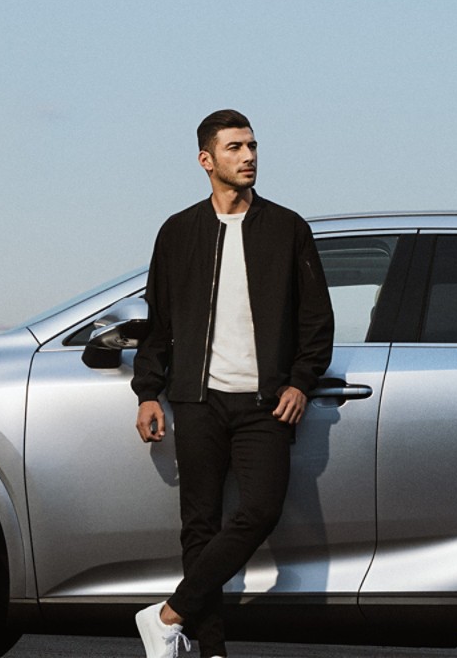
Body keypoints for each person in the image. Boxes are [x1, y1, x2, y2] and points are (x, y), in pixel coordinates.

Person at [131, 109, 334, 658]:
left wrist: (300, 381)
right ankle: (208, 650)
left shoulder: (288, 227)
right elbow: (160, 324)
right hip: (197, 400)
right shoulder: (178, 232)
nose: (248, 157)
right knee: (199, 526)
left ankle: (168, 615)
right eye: (235, 148)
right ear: (206, 160)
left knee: (261, 510)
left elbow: (317, 319)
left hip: (265, 404)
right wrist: (148, 390)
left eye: (252, 146)